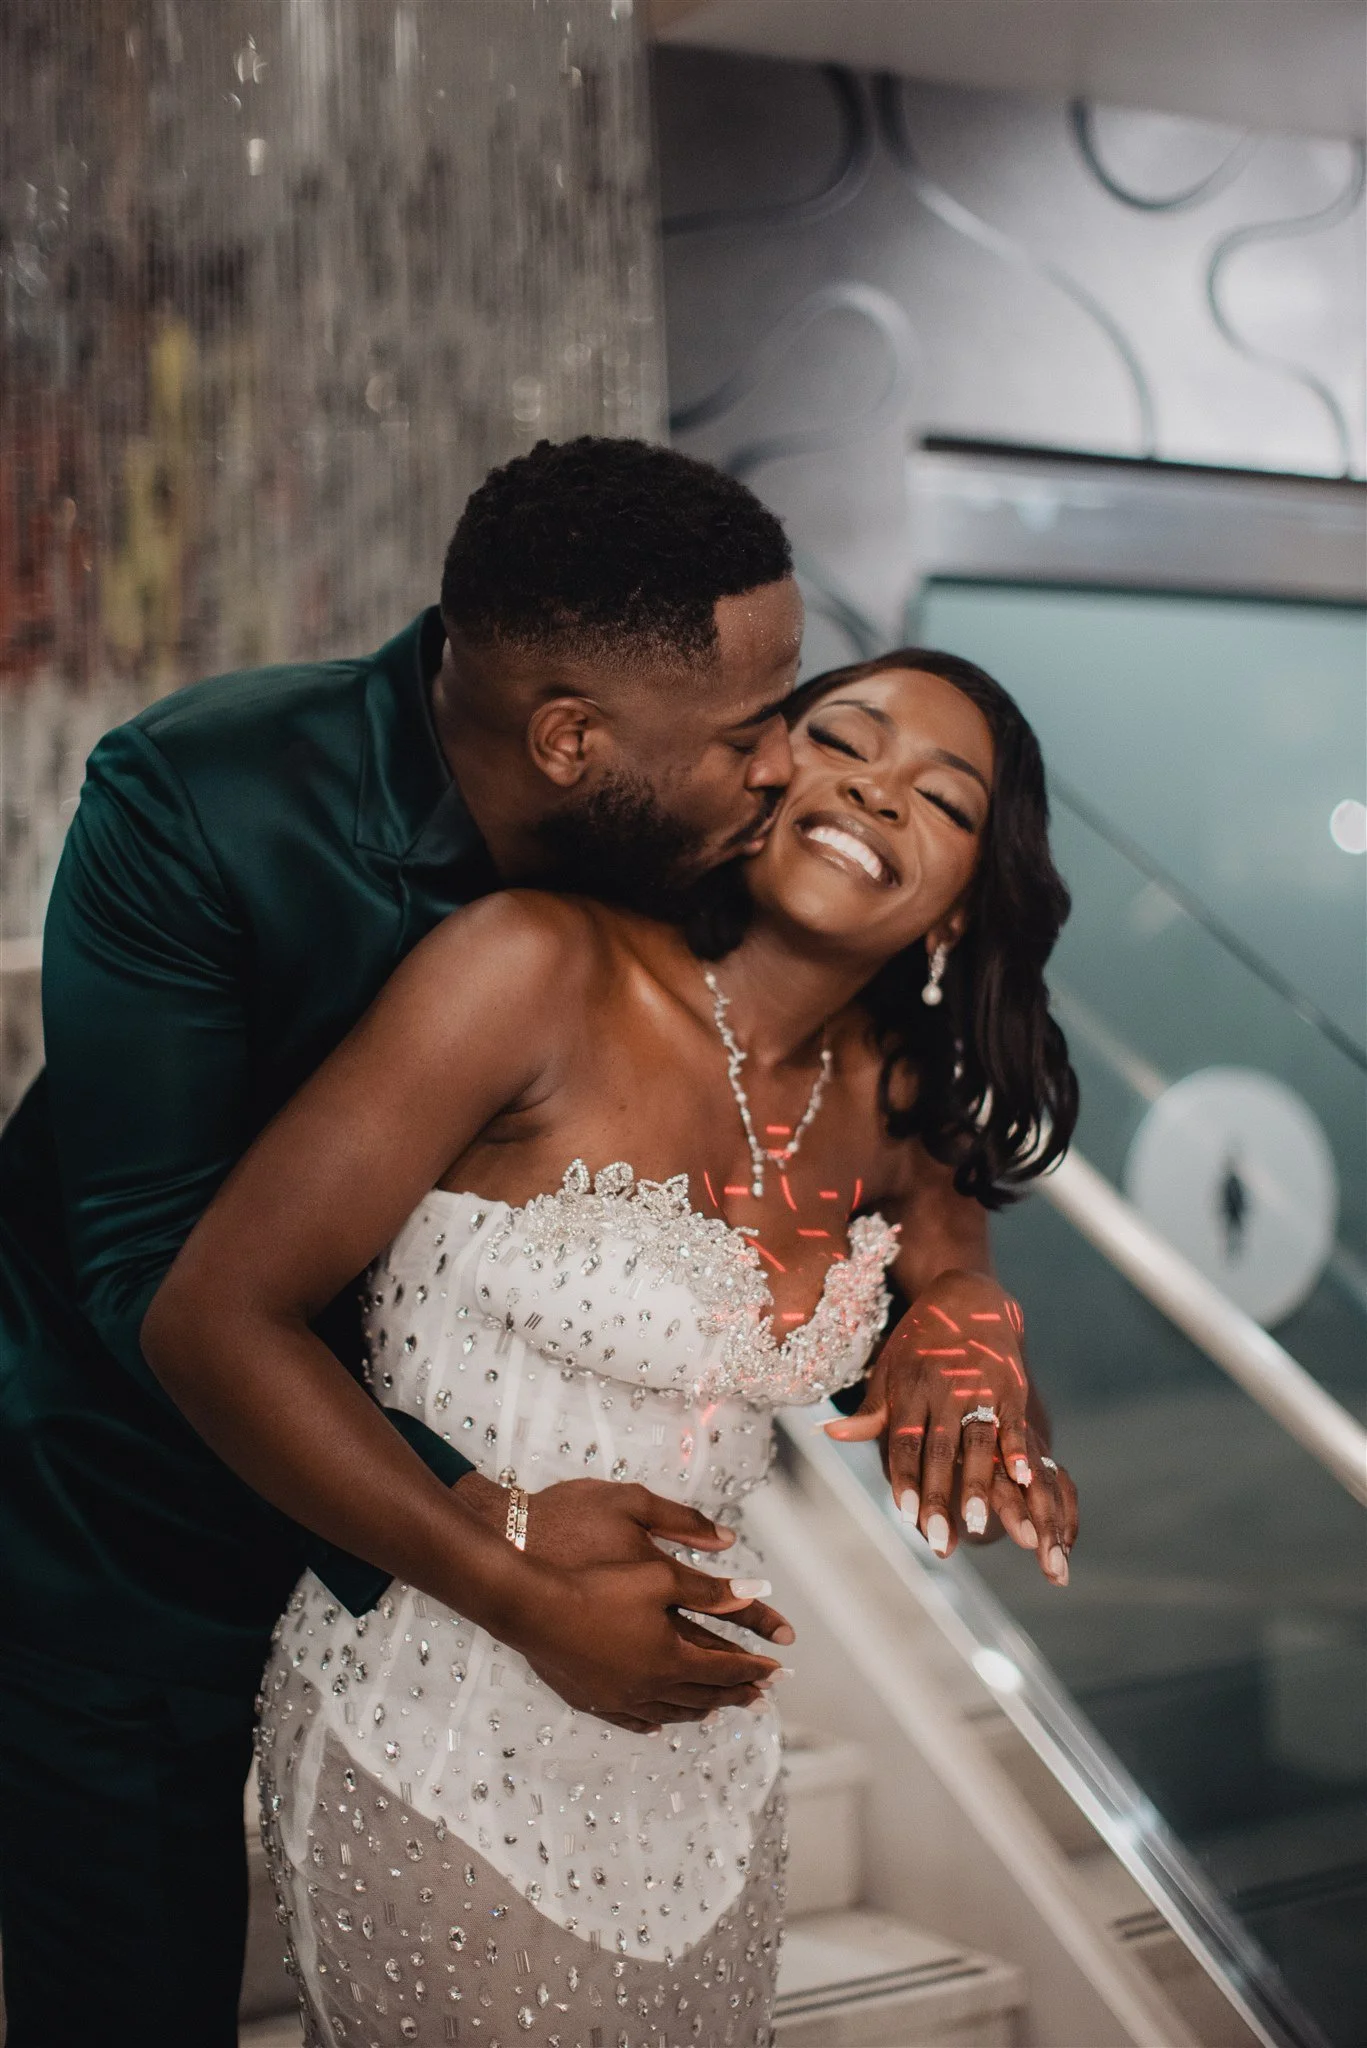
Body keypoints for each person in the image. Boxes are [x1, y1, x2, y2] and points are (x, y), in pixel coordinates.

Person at [0, 439, 1008, 2046]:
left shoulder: (675, 846)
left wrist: (955, 1284)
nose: (787, 772)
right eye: (758, 733)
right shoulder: (201, 798)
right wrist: (501, 1544)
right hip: (131, 1530)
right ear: (568, 738)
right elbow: (154, 1283)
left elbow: (856, 1085)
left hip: (517, 1634)